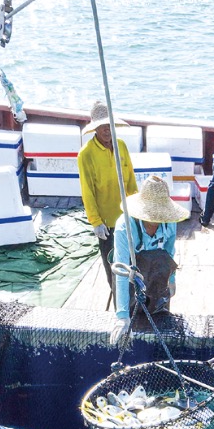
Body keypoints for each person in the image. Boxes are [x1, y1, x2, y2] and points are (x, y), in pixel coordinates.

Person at [78, 109, 139, 301]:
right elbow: (87, 191)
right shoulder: (86, 154)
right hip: (107, 222)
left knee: (132, 260)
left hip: (127, 216)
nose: (107, 130)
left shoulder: (121, 145)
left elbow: (131, 181)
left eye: (110, 125)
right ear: (95, 129)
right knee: (112, 263)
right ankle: (119, 302)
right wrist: (95, 221)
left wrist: (136, 209)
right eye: (102, 126)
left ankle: (134, 297)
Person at [114, 175, 188, 316]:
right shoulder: (125, 227)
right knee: (131, 321)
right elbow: (121, 271)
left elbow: (169, 253)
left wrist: (171, 281)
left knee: (160, 317)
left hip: (157, 279)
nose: (156, 219)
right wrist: (122, 316)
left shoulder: (170, 223)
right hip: (131, 279)